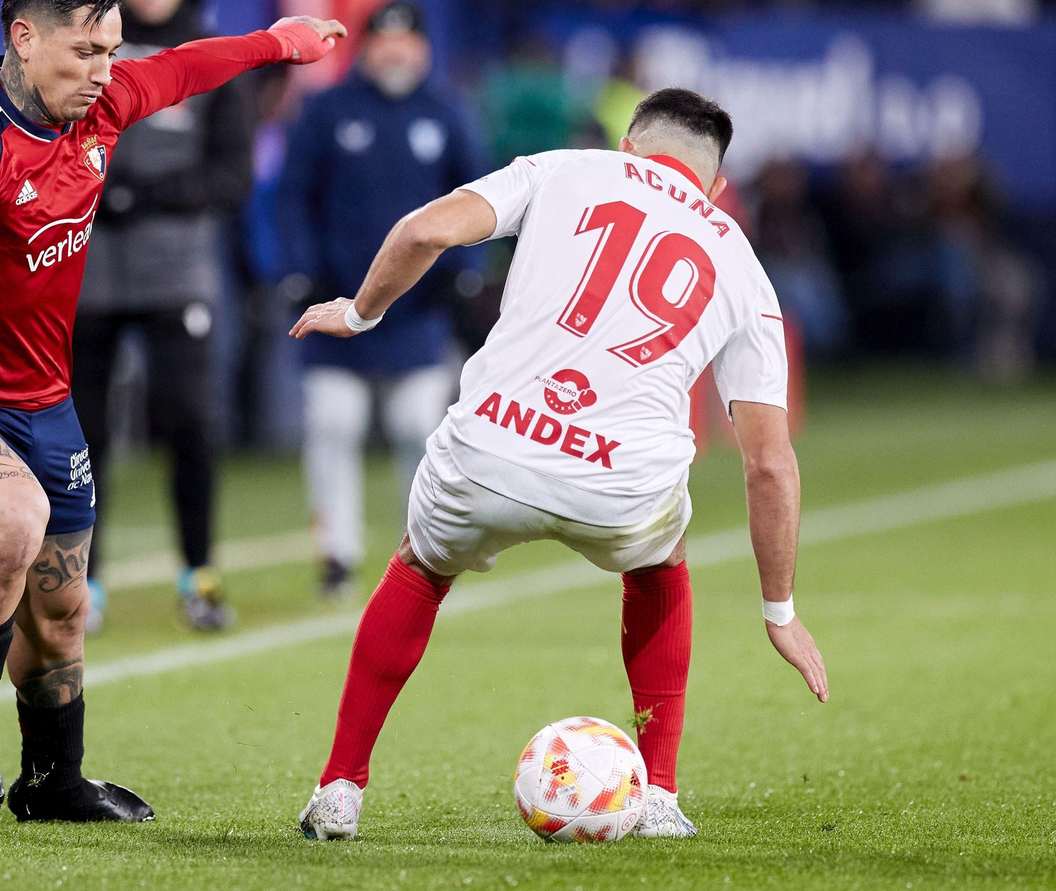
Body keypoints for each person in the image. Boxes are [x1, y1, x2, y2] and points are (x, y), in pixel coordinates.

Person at [0, 0, 343, 822]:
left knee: (59, 619)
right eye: (84, 53)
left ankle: (54, 783)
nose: (104, 72)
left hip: (46, 406)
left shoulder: (107, 103)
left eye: (111, 50)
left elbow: (184, 67)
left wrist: (278, 42)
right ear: (24, 38)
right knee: (13, 521)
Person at [291, 89, 828, 841]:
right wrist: (781, 611)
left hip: (490, 454)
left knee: (419, 567)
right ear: (712, 186)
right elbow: (769, 462)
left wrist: (359, 313)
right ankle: (662, 796)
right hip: (619, 488)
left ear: (630, 149)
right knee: (660, 561)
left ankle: (341, 788)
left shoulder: (564, 169)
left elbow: (424, 230)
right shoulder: (740, 260)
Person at [71, 0, 256, 633]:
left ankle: (199, 575)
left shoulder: (207, 57)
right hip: (83, 272)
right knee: (82, 438)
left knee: (190, 423)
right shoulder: (80, 47)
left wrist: (136, 195)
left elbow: (232, 175)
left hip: (177, 274)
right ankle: (82, 584)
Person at [274, 0, 487, 598]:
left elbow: (481, 198)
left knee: (418, 429)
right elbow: (290, 196)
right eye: (383, 41)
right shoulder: (326, 109)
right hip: (334, 302)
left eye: (406, 41)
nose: (394, 52)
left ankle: (421, 551)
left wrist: (464, 271)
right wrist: (297, 270)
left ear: (423, 48)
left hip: (415, 312)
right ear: (366, 47)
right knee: (333, 424)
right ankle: (336, 555)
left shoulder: (447, 112)